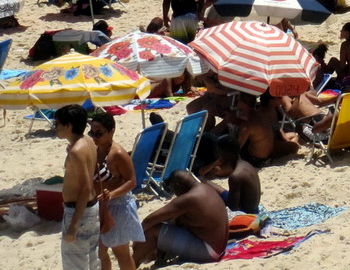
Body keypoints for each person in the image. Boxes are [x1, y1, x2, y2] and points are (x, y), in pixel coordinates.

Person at [131, 171, 228, 265]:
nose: (175, 194)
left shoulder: (189, 198)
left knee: (150, 230)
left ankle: (131, 265)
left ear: (178, 186)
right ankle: (160, 257)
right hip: (218, 248)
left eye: (174, 190)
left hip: (208, 252)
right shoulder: (206, 189)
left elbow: (150, 220)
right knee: (173, 222)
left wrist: (136, 239)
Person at [88, 111, 142, 270]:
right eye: (92, 132)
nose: (95, 137)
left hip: (119, 207)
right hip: (101, 207)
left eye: (99, 133)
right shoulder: (95, 150)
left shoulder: (117, 154)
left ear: (111, 131)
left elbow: (132, 181)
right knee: (100, 251)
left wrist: (112, 194)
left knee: (121, 253)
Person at [55, 103, 101, 270]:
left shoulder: (76, 151)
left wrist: (73, 223)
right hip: (91, 209)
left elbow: (86, 187)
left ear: (68, 125)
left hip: (78, 211)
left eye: (57, 124)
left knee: (76, 265)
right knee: (92, 262)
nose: (55, 128)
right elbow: (92, 171)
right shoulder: (87, 142)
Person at [204, 134, 261, 214]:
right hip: (253, 208)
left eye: (218, 152)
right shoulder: (247, 165)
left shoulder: (236, 176)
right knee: (207, 183)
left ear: (225, 154)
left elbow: (233, 207)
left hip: (246, 214)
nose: (217, 156)